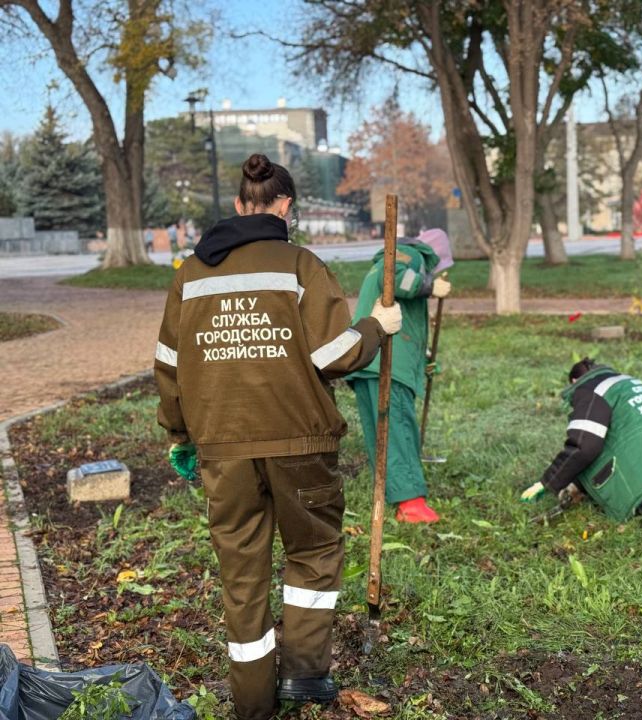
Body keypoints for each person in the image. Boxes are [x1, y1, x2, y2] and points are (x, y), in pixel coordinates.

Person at [154, 153, 402, 720]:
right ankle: (306, 675)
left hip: (222, 449)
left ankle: (253, 704)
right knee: (313, 554)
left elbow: (168, 367)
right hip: (301, 444)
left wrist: (181, 436)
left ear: (241, 204)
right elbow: (333, 355)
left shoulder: (190, 276)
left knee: (241, 573)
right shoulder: (299, 266)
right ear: (285, 207)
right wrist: (375, 328)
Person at [346, 228, 453, 523]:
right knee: (398, 431)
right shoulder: (411, 255)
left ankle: (392, 494)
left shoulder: (394, 257)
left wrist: (424, 361)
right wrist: (430, 286)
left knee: (383, 434)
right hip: (387, 362)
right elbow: (394, 280)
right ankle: (411, 503)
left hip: (370, 358)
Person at [522, 358, 642, 521]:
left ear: (575, 381)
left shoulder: (589, 390)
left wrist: (548, 482)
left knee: (590, 444)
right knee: (609, 433)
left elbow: (584, 446)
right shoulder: (625, 381)